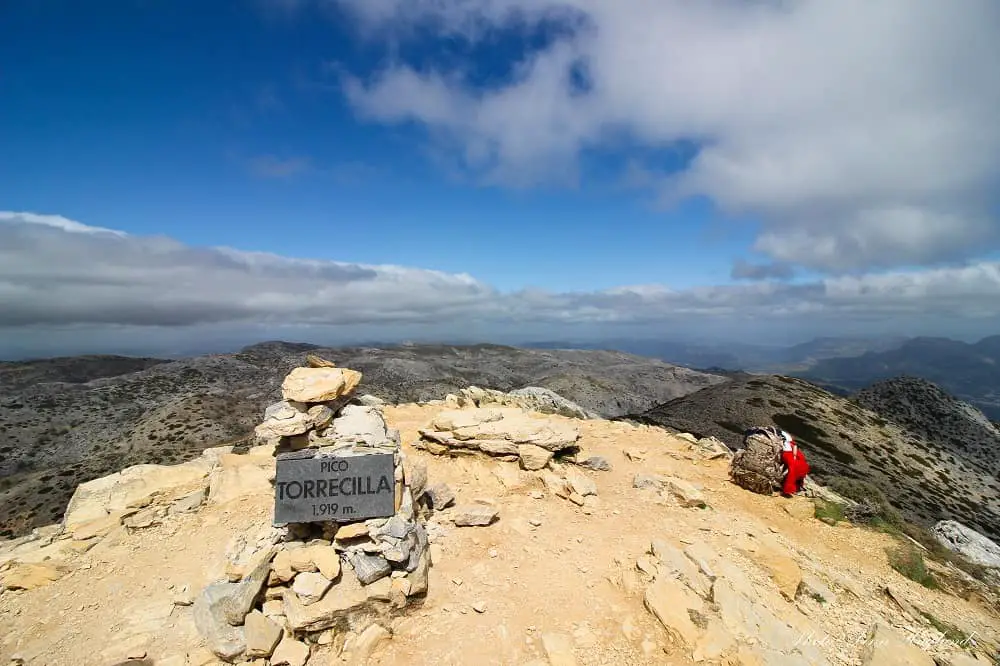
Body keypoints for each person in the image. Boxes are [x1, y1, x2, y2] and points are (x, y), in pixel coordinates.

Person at [780, 430, 810, 496]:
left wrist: (794, 456)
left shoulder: (787, 440)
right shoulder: (790, 442)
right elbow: (795, 448)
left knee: (793, 471)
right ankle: (792, 488)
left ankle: (789, 489)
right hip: (794, 456)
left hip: (790, 454)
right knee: (795, 470)